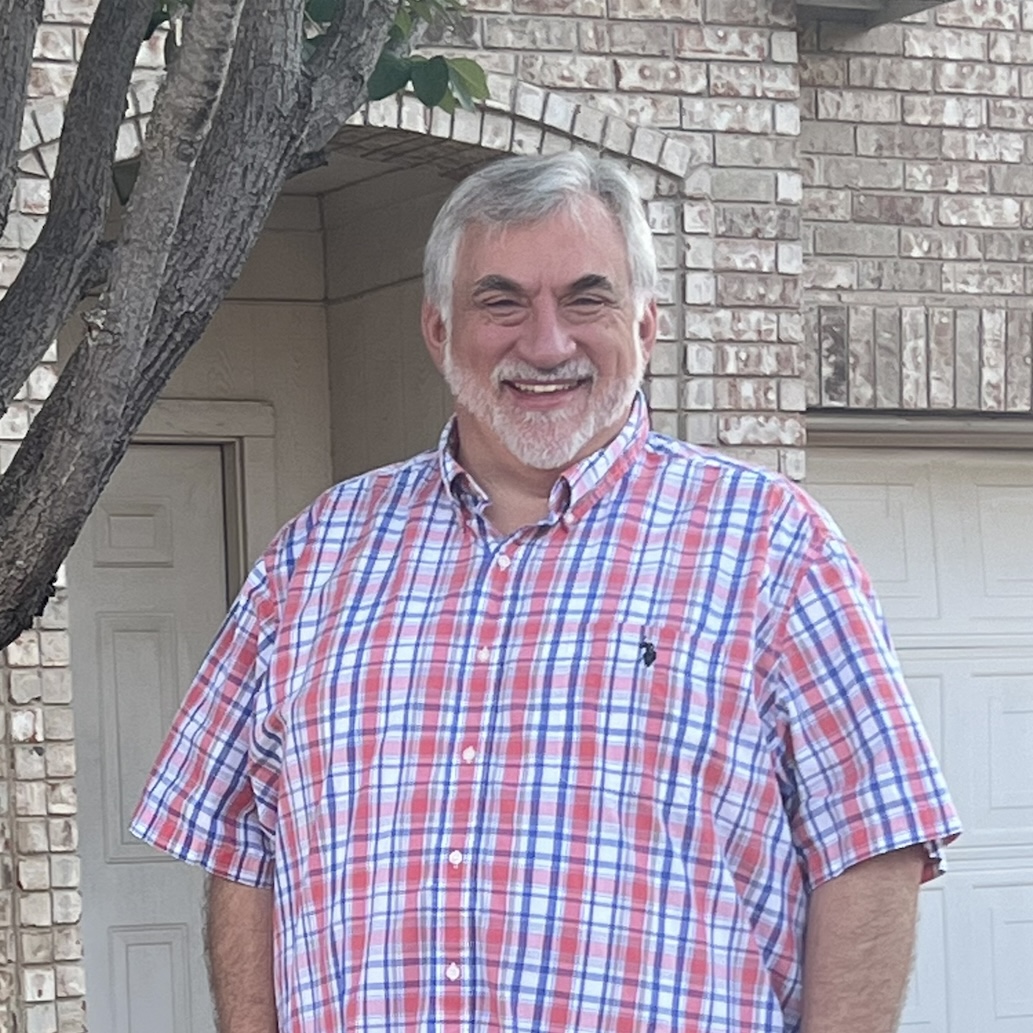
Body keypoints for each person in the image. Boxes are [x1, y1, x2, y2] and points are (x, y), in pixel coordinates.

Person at [132, 151, 960, 1033]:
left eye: (585, 299)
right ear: (438, 330)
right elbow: (240, 841)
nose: (546, 343)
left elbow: (870, 844)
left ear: (645, 325)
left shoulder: (772, 547)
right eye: (501, 302)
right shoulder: (315, 557)